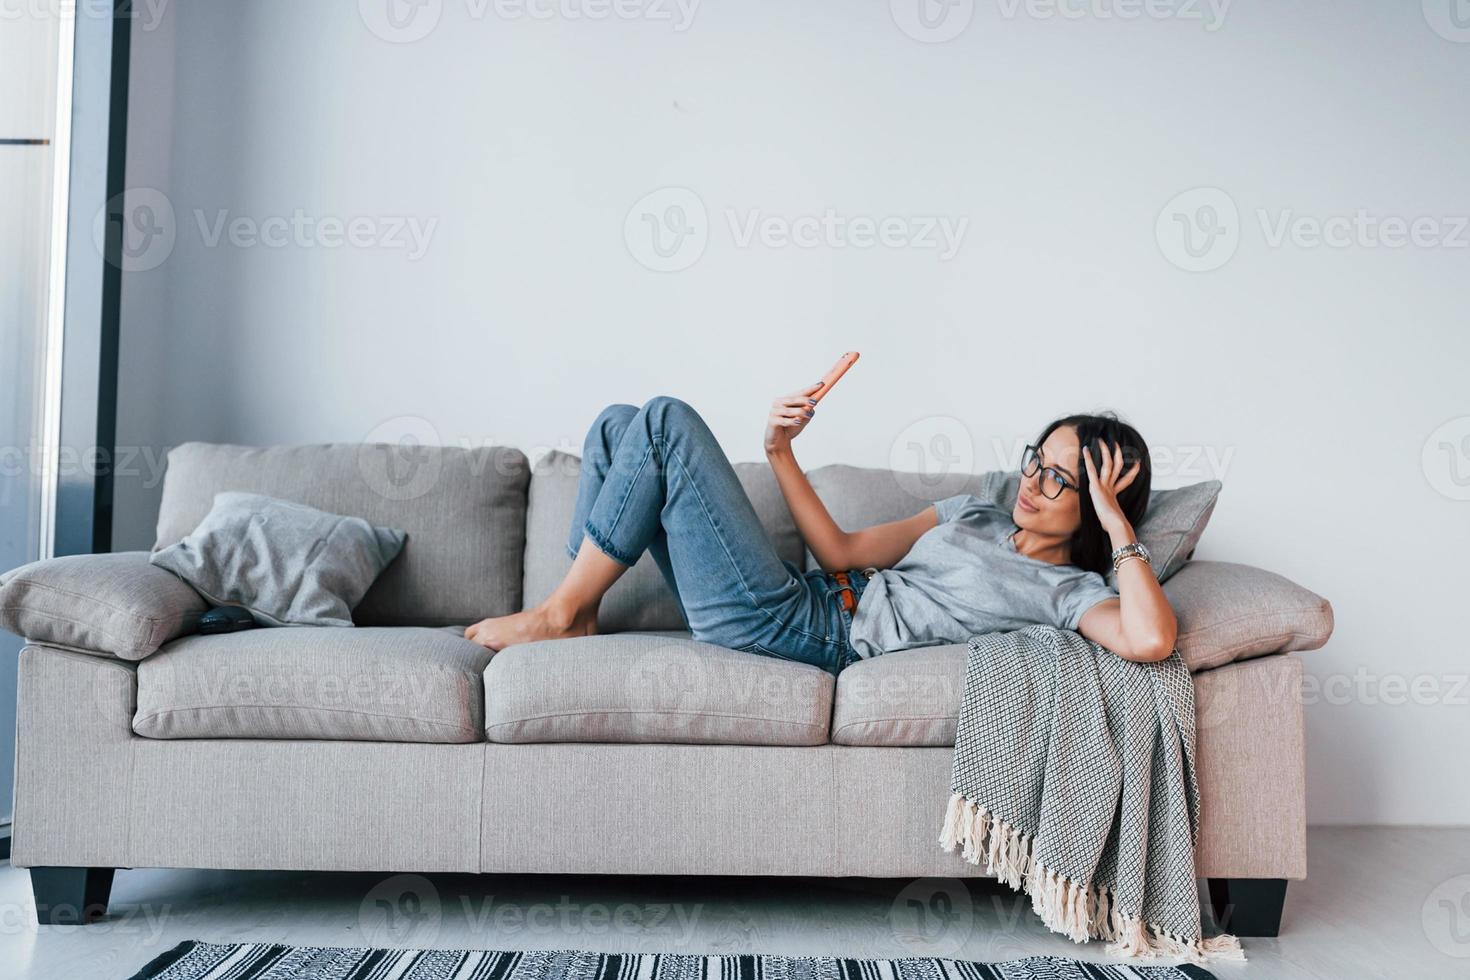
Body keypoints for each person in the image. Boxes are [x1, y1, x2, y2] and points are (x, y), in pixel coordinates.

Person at [465, 391, 1176, 674]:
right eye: (1035, 461)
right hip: (800, 594)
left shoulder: (1069, 593)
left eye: (1059, 479)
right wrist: (781, 450)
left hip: (816, 631)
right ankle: (577, 608)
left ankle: (560, 613)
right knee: (619, 425)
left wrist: (1118, 523)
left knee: (663, 422)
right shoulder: (975, 513)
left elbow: (1150, 641)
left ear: (1095, 505)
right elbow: (839, 551)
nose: (1032, 482)